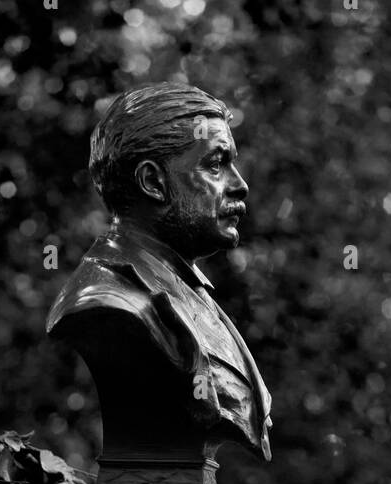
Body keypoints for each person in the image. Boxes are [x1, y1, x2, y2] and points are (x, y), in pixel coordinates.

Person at [47, 82, 272, 463]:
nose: (239, 185)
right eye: (216, 164)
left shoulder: (194, 292)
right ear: (153, 182)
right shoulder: (106, 303)